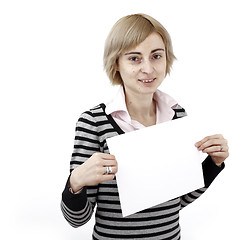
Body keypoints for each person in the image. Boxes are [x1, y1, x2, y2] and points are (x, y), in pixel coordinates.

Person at [61, 13, 229, 240]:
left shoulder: (177, 116)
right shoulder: (93, 122)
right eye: (134, 58)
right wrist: (76, 181)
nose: (148, 69)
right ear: (116, 63)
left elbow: (177, 200)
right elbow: (77, 220)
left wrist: (213, 163)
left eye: (156, 56)